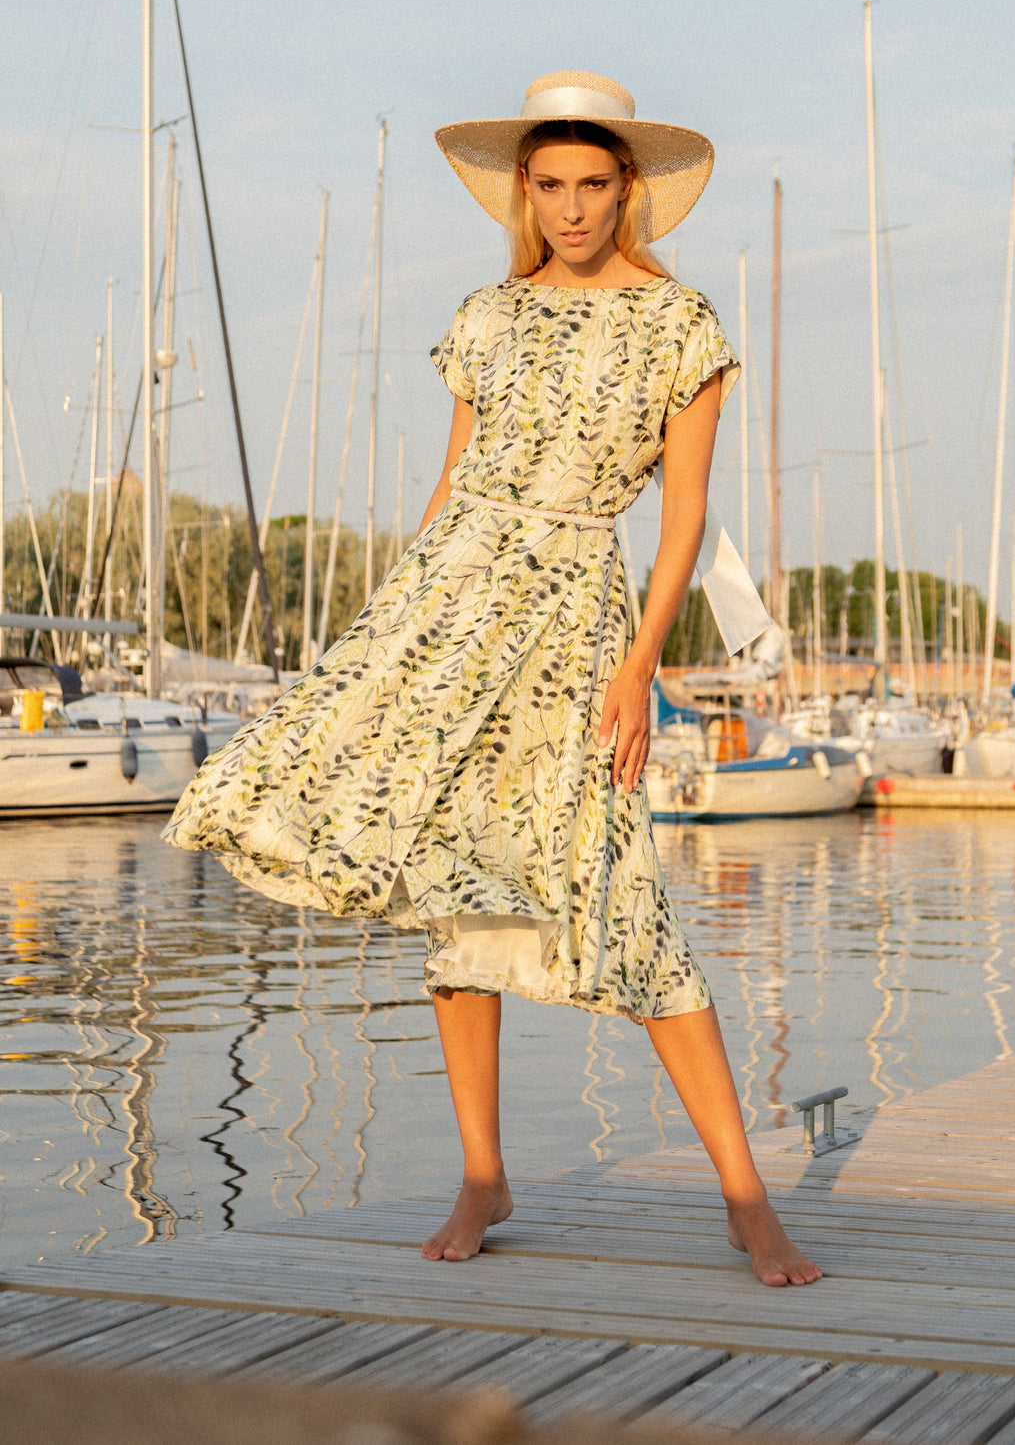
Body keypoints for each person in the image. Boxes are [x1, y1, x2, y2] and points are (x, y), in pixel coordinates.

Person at [165, 70, 821, 1288]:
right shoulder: (486, 316)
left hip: (577, 614)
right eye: (551, 186)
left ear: (628, 190)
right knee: (452, 886)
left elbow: (680, 523)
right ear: (524, 192)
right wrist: (395, 631)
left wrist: (640, 668)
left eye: (593, 185)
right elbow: (454, 490)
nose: (572, 208)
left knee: (617, 890)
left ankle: (746, 1197)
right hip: (451, 602)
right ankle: (483, 1172)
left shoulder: (682, 329)